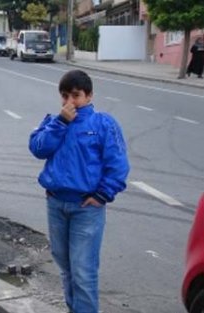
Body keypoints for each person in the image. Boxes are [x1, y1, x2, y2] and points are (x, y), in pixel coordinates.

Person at [28, 70, 130, 313]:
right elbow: (38, 148)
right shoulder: (54, 121)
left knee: (83, 270)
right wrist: (60, 123)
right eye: (65, 96)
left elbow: (118, 164)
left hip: (86, 208)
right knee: (65, 266)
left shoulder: (103, 124)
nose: (69, 102)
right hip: (56, 204)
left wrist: (102, 195)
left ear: (89, 95)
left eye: (76, 95)